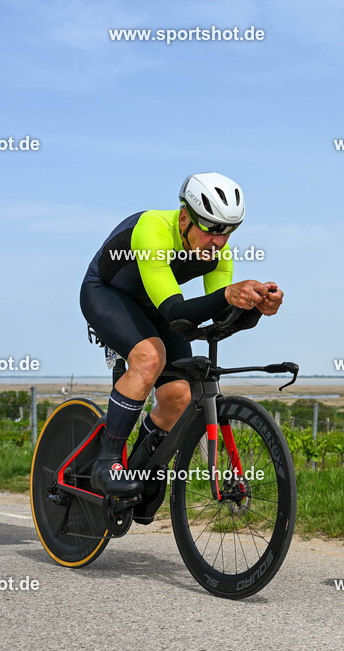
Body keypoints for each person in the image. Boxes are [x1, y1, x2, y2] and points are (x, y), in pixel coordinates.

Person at [79, 172, 283, 496]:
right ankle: (107, 462)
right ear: (185, 217)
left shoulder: (218, 255)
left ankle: (142, 466)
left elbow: (219, 321)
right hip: (107, 295)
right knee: (149, 359)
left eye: (227, 232)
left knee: (180, 396)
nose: (218, 242)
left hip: (154, 304)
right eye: (211, 230)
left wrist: (256, 309)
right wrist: (228, 294)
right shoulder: (152, 230)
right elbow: (176, 312)